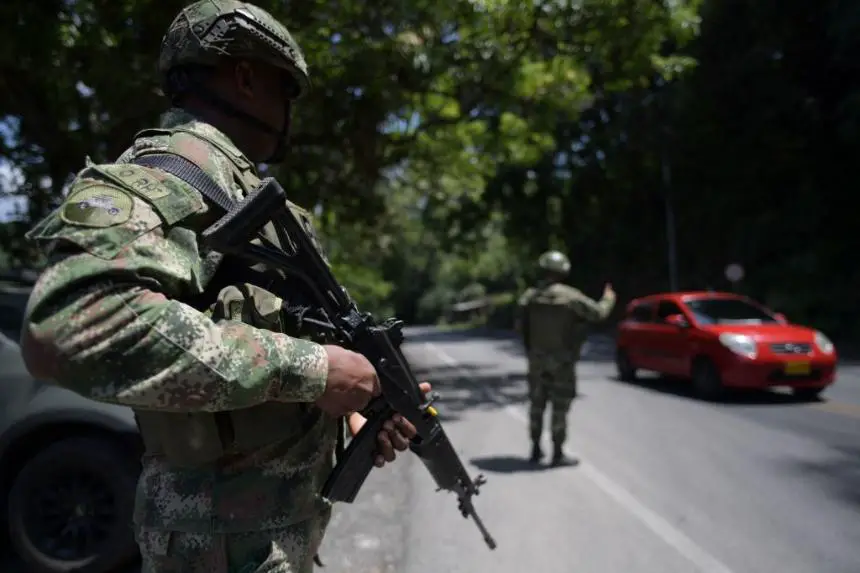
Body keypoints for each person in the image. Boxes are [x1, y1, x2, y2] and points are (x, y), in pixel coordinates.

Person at [19, 2, 427, 571]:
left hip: (269, 539)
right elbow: (71, 325)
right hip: (215, 547)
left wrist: (348, 413)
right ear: (245, 77)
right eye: (287, 91)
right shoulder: (163, 176)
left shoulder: (243, 197)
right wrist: (319, 369)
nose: (290, 112)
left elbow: (249, 346)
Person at [515, 250, 616, 467]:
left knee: (537, 404)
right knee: (560, 406)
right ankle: (557, 453)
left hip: (537, 360)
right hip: (563, 361)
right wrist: (609, 298)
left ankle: (535, 448)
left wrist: (532, 350)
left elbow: (520, 328)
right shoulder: (571, 297)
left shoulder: (529, 297)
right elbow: (598, 313)